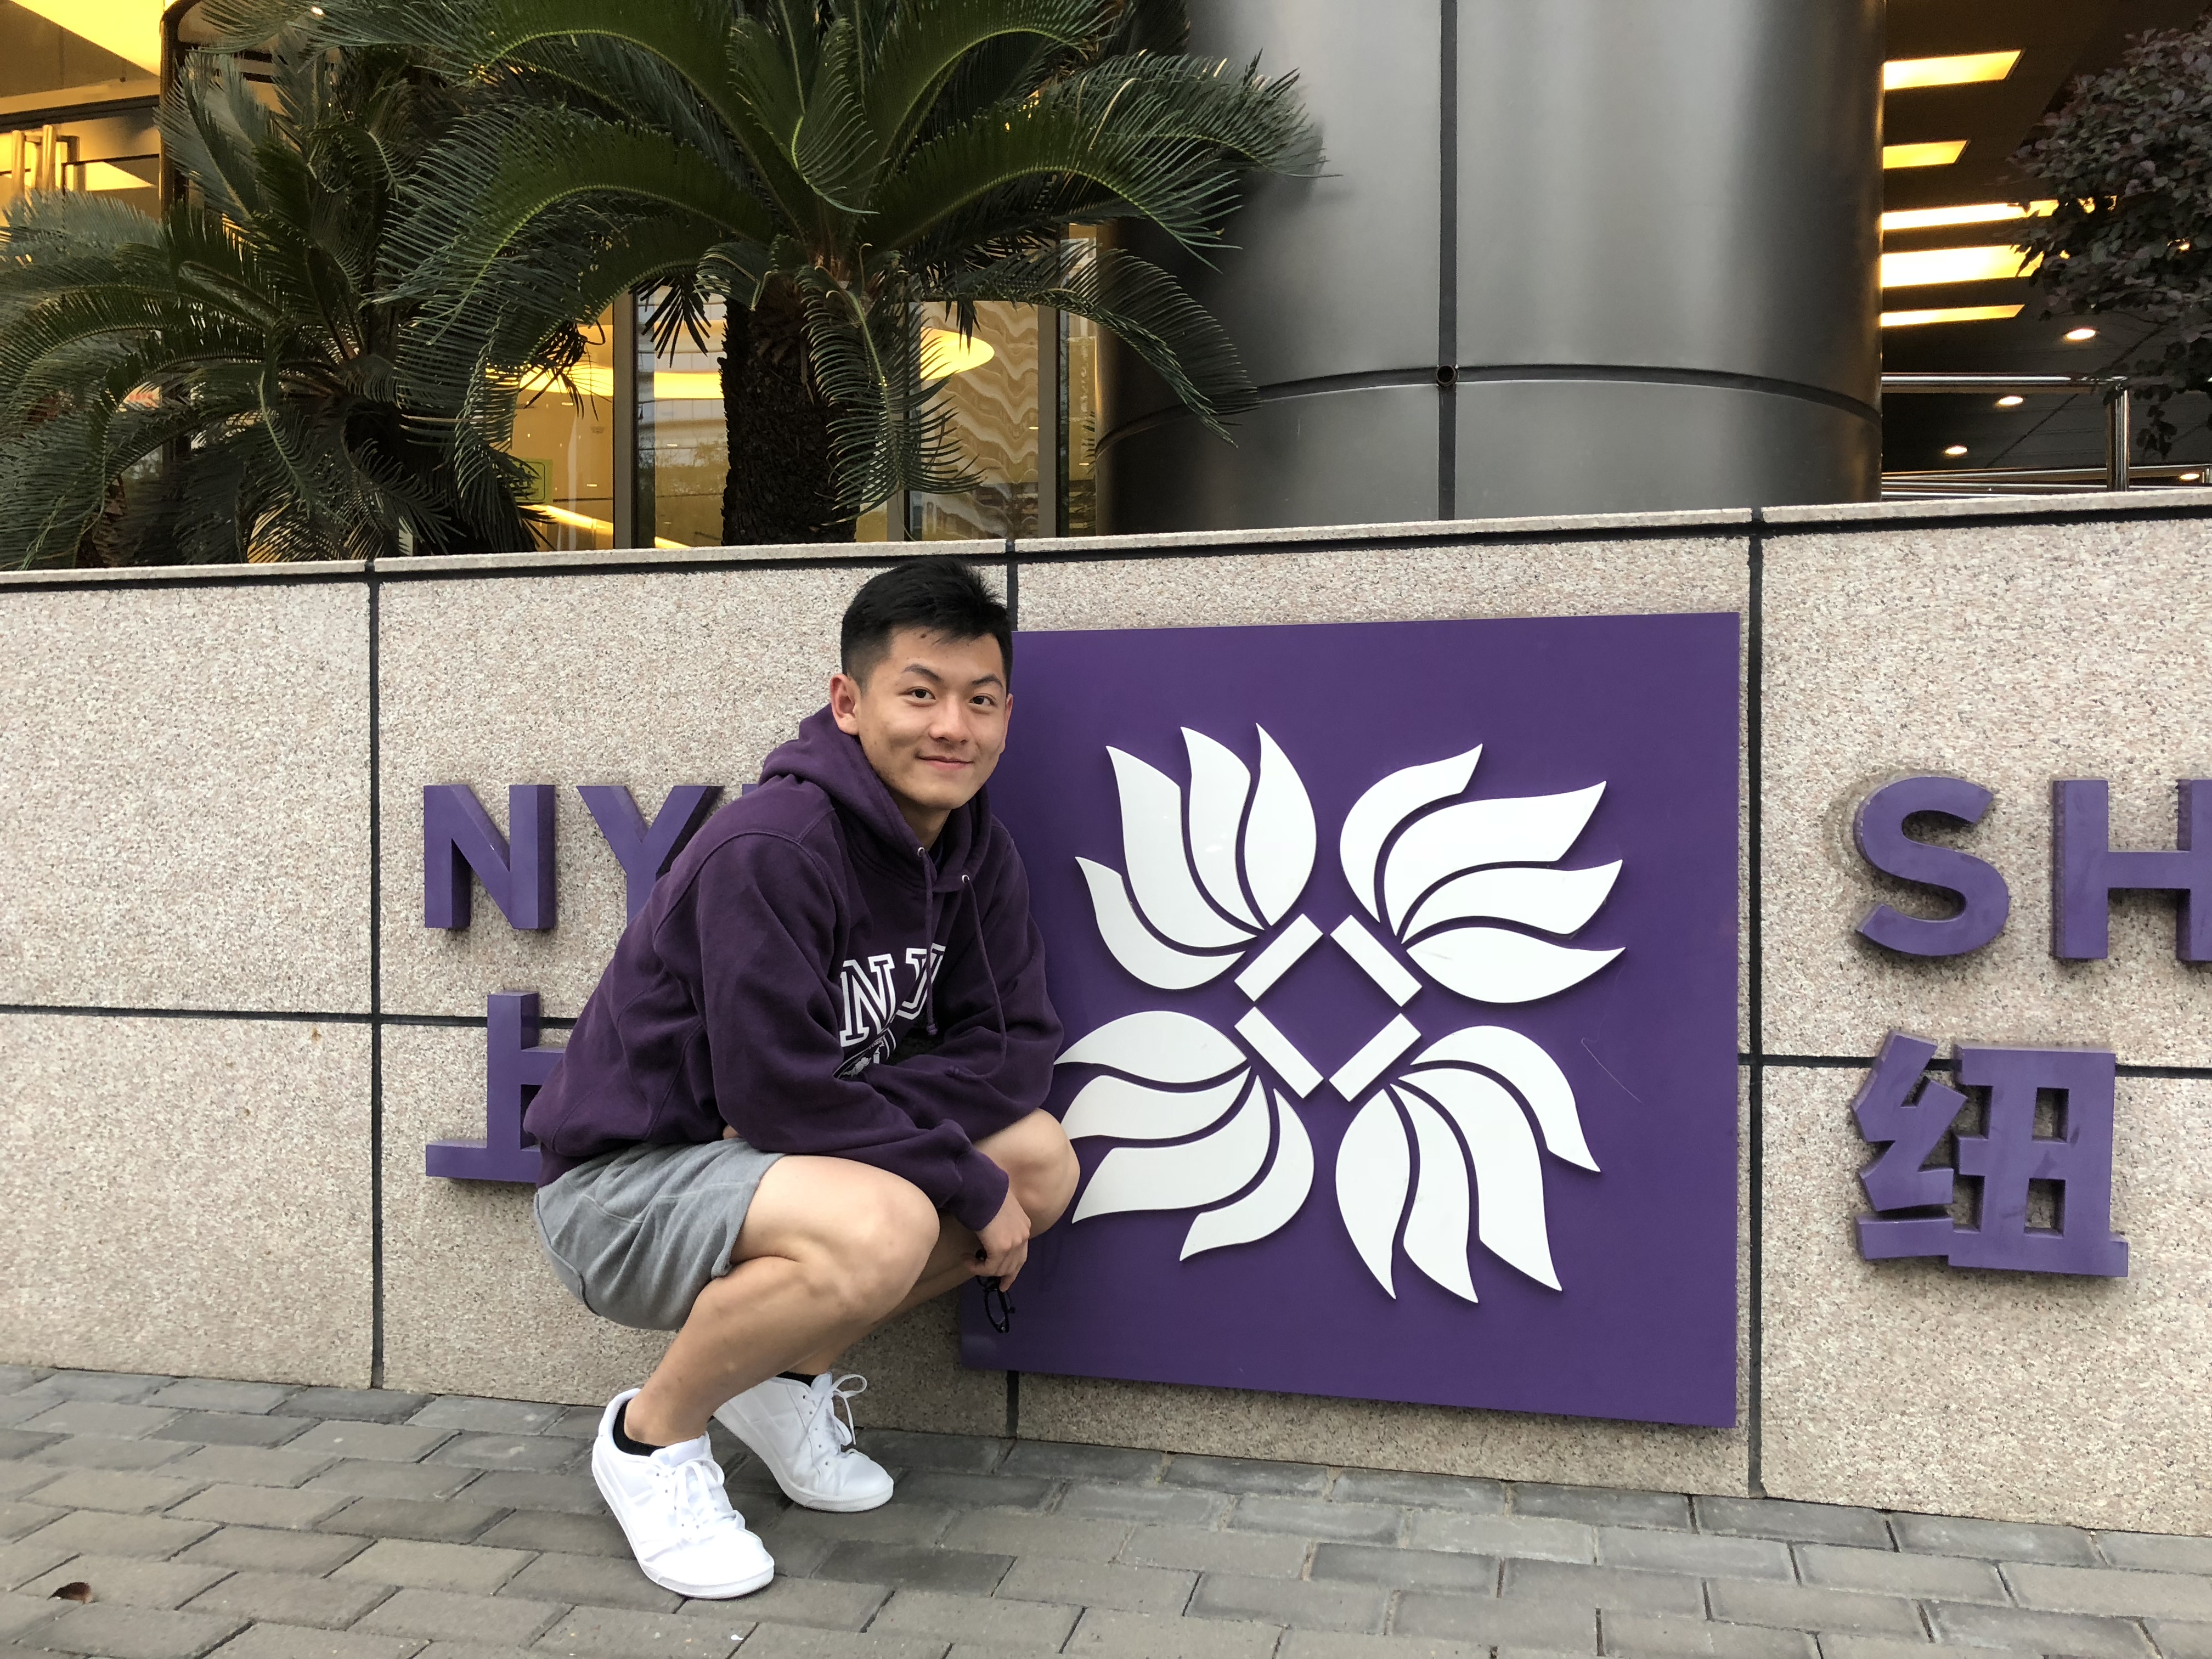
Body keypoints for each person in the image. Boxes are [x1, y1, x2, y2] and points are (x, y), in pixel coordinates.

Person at [522, 558, 1076, 1598]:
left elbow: (1018, 1046)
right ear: (849, 701)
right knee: (891, 1220)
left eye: (981, 699)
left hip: (773, 1158)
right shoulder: (773, 847)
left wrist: (873, 1121)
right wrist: (946, 1172)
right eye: (921, 693)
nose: (953, 725)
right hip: (624, 1188)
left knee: (1038, 1162)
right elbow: (780, 1093)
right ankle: (651, 1442)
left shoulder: (973, 852)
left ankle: (778, 1380)